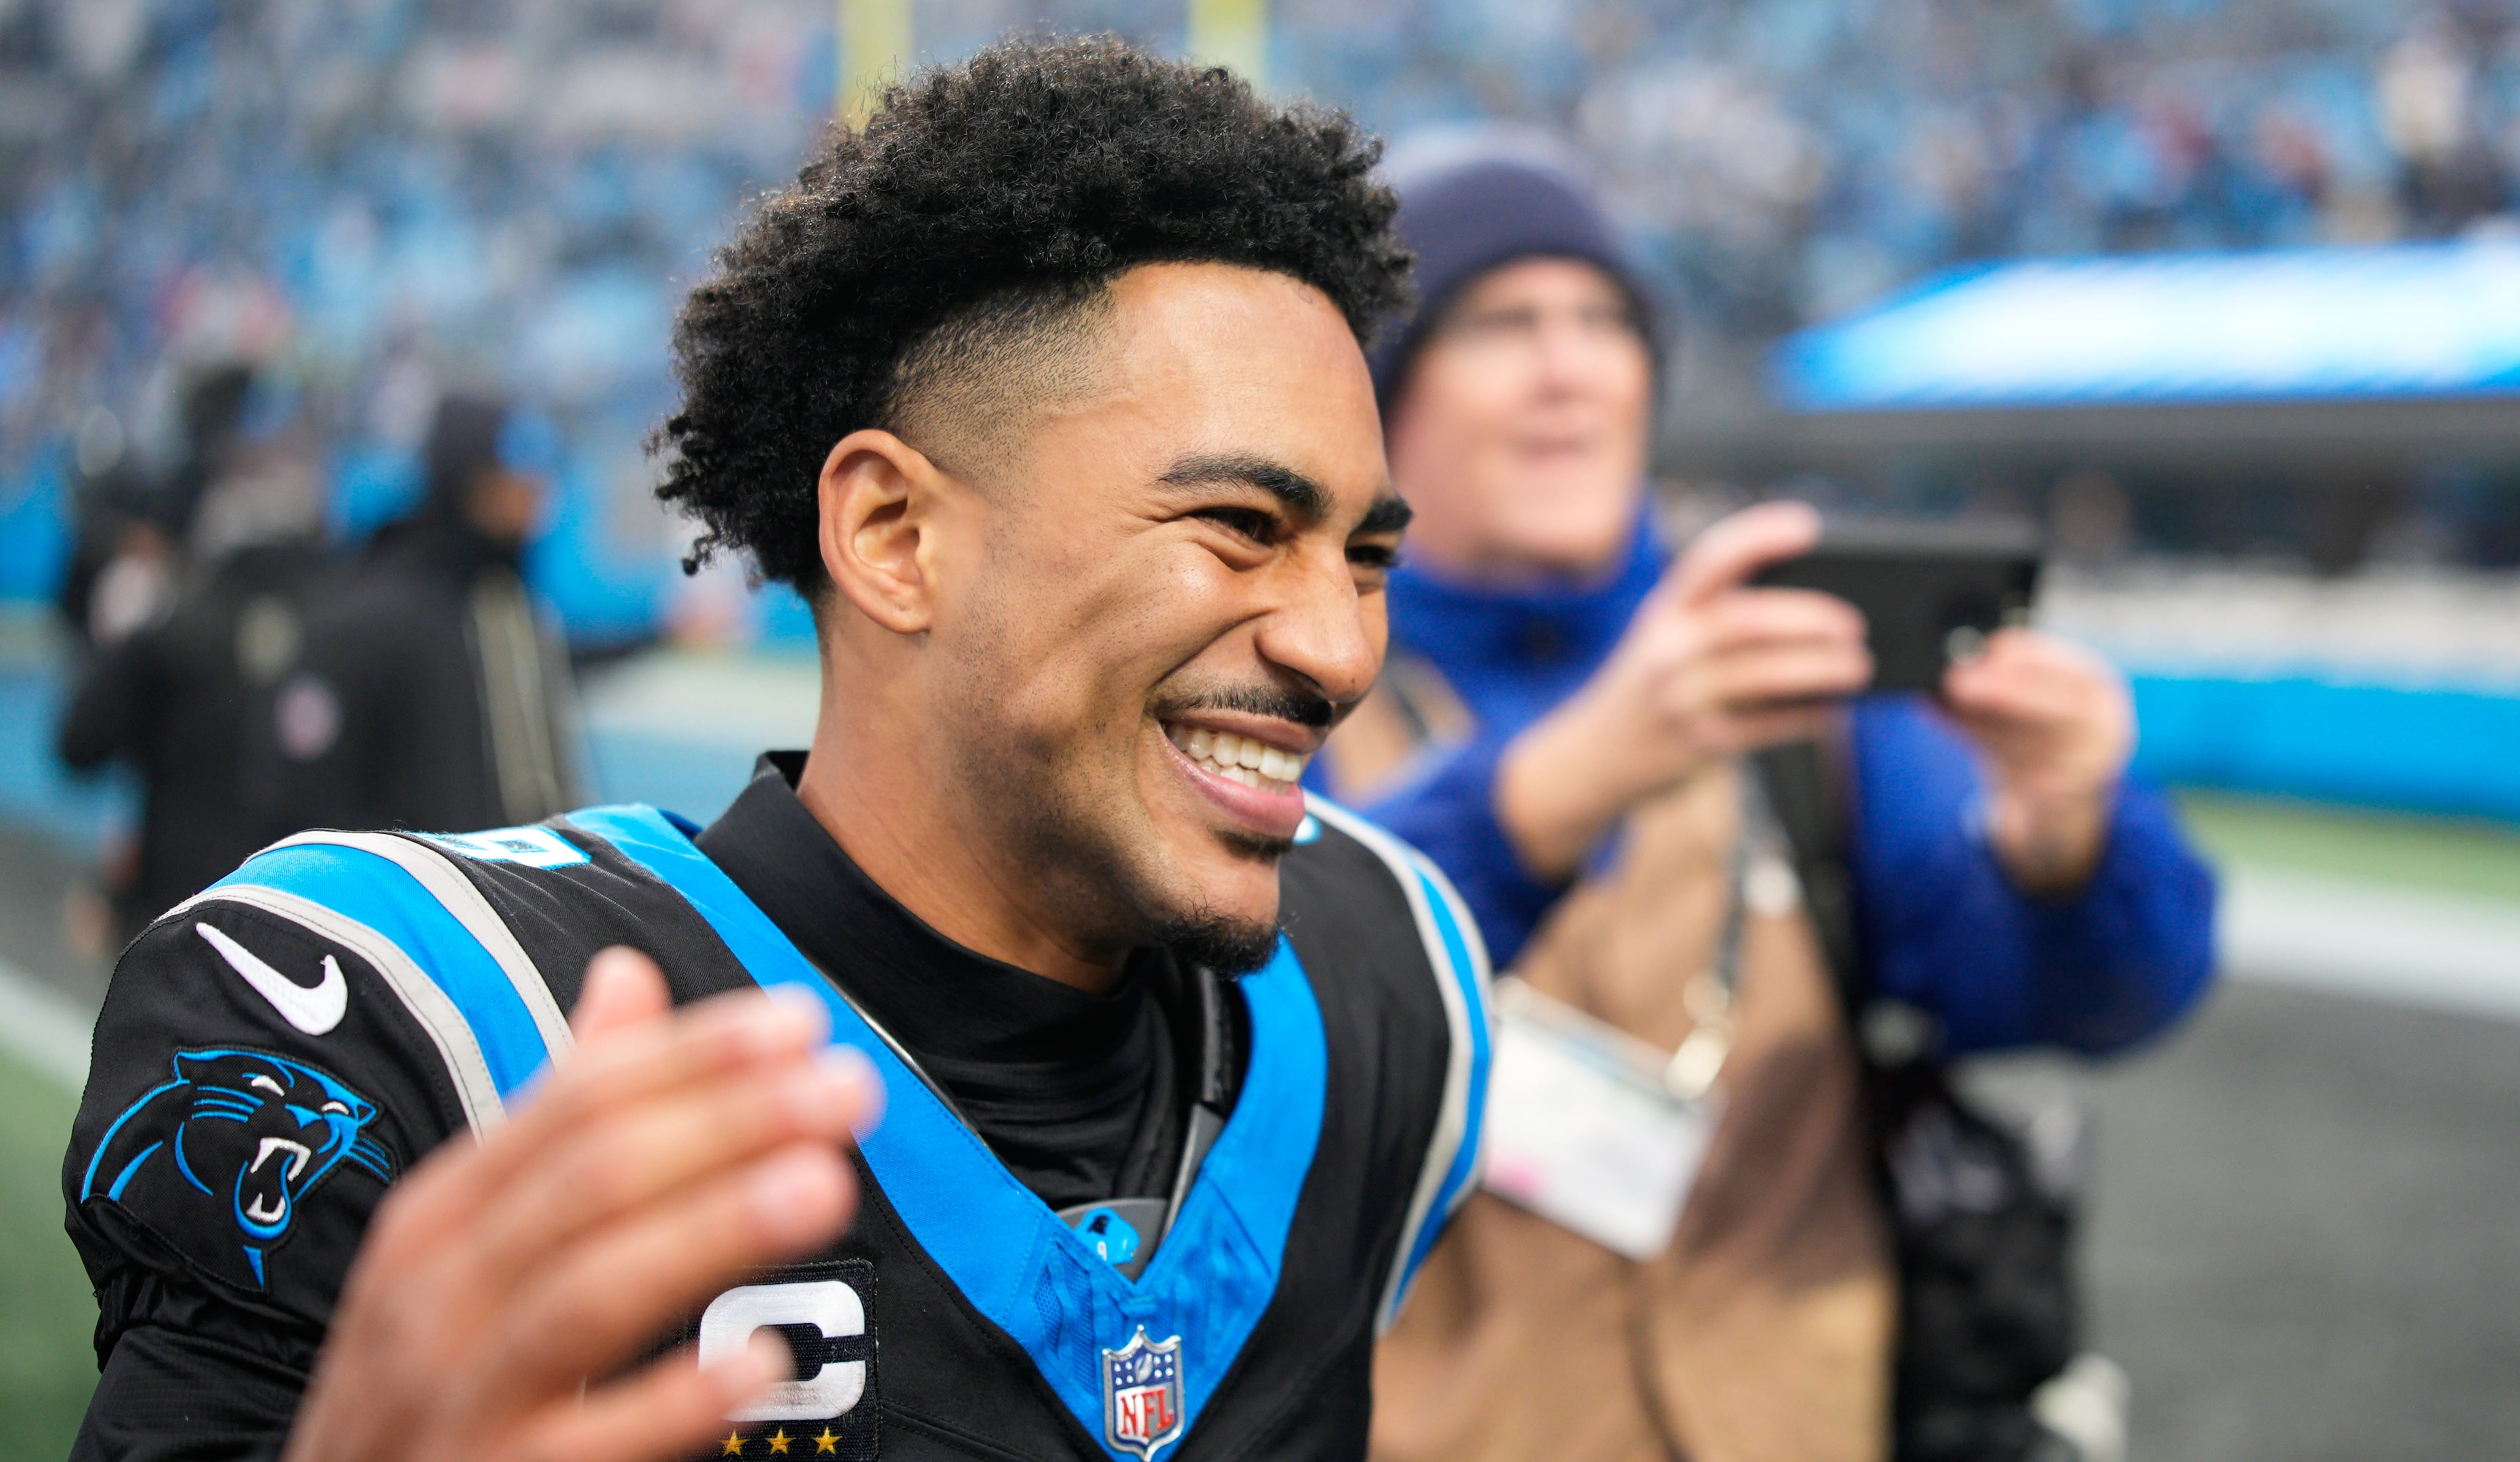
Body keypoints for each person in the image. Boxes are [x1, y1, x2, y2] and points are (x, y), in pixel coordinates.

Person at [62, 38, 1489, 1462]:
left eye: (1363, 557)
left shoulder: (1389, 984)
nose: (1340, 648)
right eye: (1242, 527)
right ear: (892, 537)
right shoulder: (421, 1030)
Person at [1324, 143, 2219, 1462]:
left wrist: (2066, 838)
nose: (1571, 367)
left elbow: (2094, 1006)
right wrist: (1556, 786)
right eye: (1503, 325)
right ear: (1389, 397)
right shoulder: (1293, 680)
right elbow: (1229, 1025)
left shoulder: (1801, 680)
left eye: (1608, 323)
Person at [57, 368, 334, 935]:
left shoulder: (174, 621)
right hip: (297, 925)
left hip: (174, 915)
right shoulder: (342, 631)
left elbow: (80, 744)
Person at [282, 392, 586, 835]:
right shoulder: (369, 624)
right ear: (472, 483)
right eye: (518, 475)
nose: (537, 494)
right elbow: (301, 804)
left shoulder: (505, 611)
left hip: (500, 894)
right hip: (415, 896)